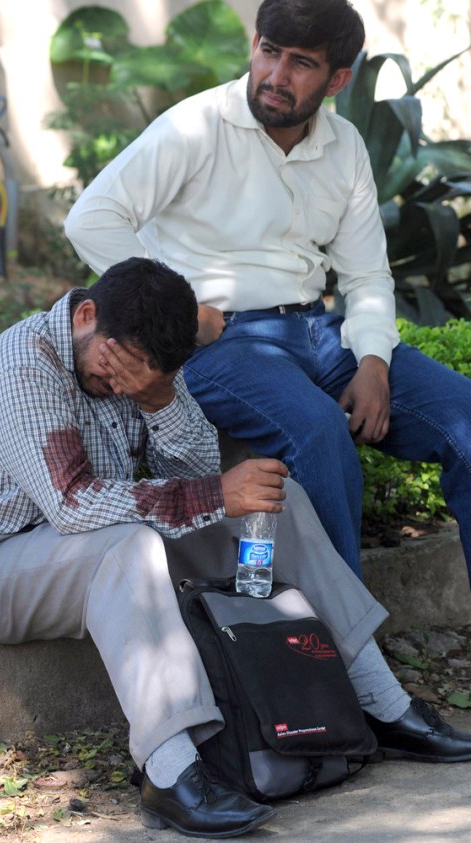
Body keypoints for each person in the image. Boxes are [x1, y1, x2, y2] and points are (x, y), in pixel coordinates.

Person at [0, 257, 471, 840]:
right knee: (130, 547)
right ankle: (171, 774)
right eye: (117, 370)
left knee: (277, 498)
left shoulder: (148, 358)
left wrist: (159, 397)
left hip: (102, 543)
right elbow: (73, 505)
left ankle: (382, 705)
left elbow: (188, 471)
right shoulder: (25, 360)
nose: (120, 385)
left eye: (142, 376)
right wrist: (216, 493)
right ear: (86, 315)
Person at [64, 0, 471, 587]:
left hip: (319, 334)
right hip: (222, 344)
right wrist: (179, 311)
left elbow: (365, 277)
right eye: (268, 51)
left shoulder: (344, 145)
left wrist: (376, 363)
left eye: (300, 63)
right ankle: (341, 647)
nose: (276, 76)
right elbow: (91, 218)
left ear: (338, 80)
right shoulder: (195, 126)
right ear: (254, 44)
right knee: (319, 433)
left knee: (463, 419)